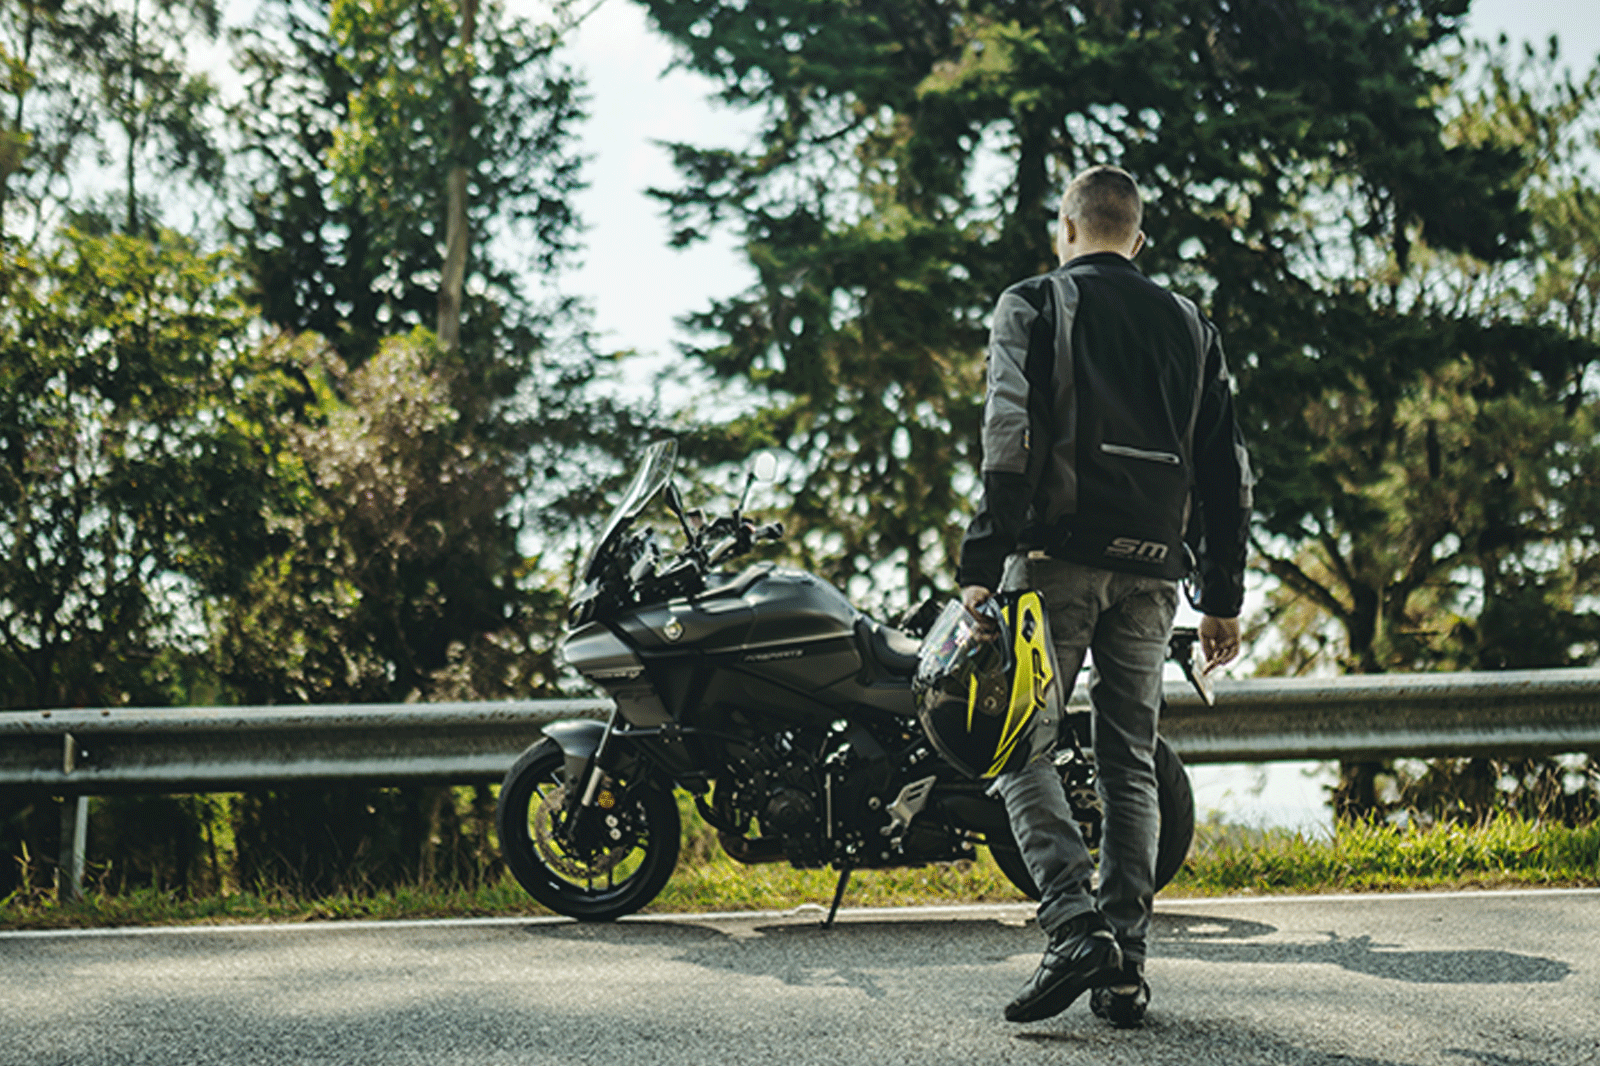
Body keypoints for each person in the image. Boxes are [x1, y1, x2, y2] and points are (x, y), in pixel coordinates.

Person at [956, 165, 1253, 1028]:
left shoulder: (1035, 304)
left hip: (1055, 559)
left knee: (1016, 747)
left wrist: (983, 557)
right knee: (1130, 764)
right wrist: (1222, 595)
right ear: (1138, 238)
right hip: (1157, 572)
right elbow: (1226, 473)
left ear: (1067, 227)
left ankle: (1073, 924)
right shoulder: (1192, 326)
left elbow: (1010, 435)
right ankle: (1125, 967)